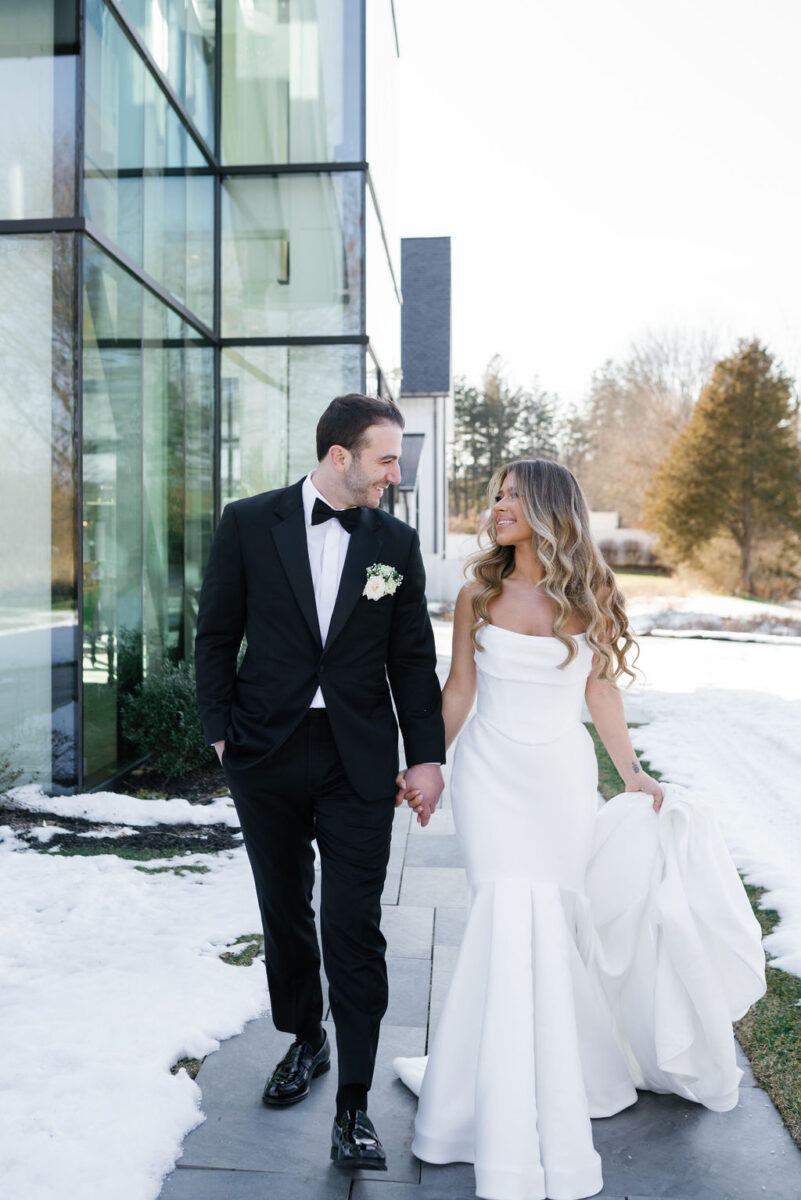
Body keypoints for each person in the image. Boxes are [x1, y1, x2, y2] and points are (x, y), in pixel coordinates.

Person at [394, 458, 766, 1200]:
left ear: (547, 508)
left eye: (511, 496)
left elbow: (600, 692)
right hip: (490, 777)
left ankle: (558, 1068)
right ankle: (483, 1088)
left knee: (555, 917)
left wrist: (631, 772)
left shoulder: (590, 595)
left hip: (560, 781)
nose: (496, 506)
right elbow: (458, 689)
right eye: (495, 496)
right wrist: (427, 764)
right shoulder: (477, 593)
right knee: (503, 911)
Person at [195, 394, 445, 1171]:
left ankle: (354, 1107)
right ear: (341, 455)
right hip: (263, 752)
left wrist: (426, 756)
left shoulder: (394, 543)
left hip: (355, 758)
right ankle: (305, 1039)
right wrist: (219, 731)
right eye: (385, 458)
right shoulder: (248, 522)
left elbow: (411, 657)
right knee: (284, 910)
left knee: (353, 924)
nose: (395, 473)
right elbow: (215, 633)